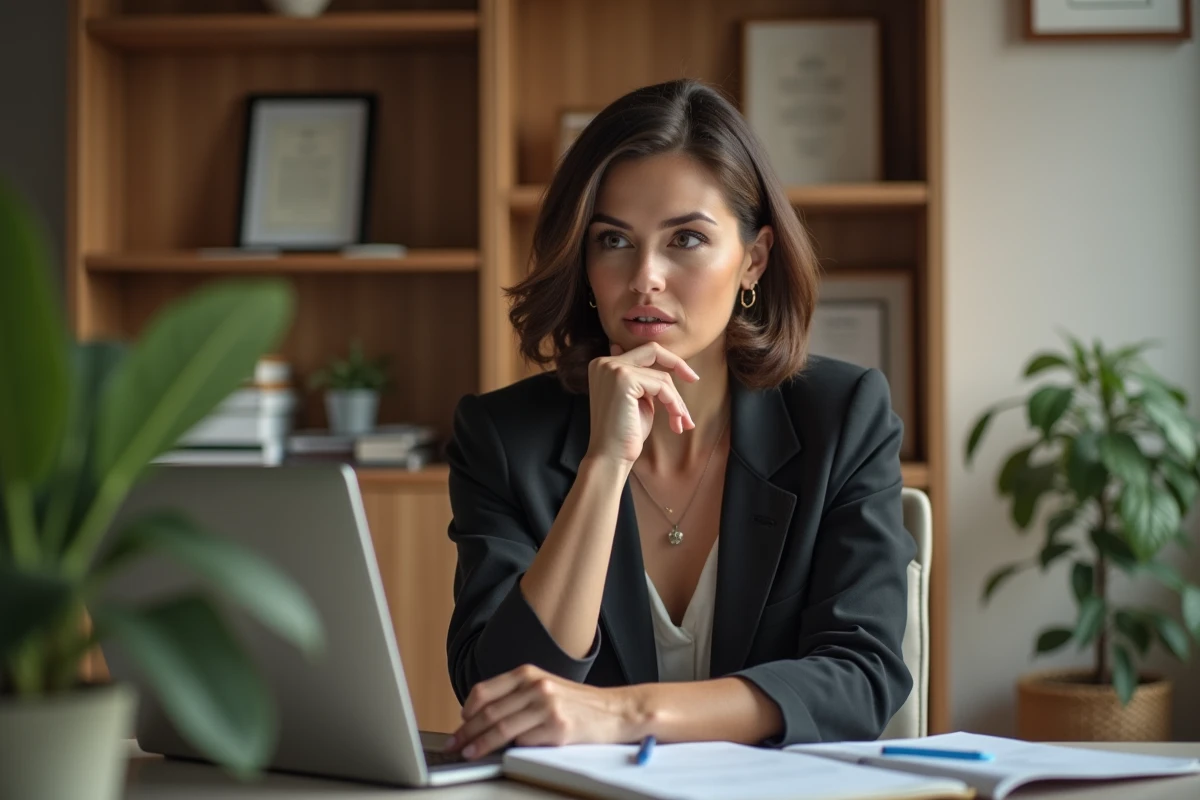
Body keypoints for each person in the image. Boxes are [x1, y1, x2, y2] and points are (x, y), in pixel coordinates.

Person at [443, 78, 914, 760]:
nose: (645, 278)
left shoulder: (841, 418)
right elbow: (500, 695)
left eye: (686, 239)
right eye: (613, 240)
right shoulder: (502, 438)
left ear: (753, 259)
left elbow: (859, 679)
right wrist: (604, 467)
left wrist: (624, 713)